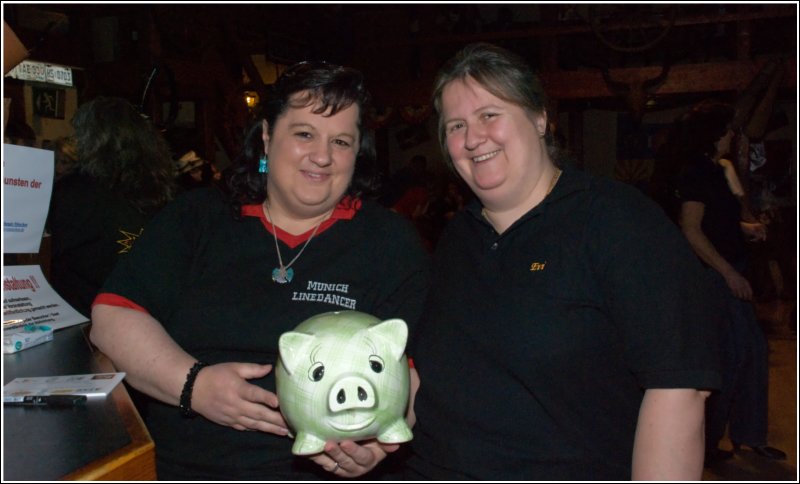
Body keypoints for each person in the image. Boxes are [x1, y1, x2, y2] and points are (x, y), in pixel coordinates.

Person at [89, 61, 429, 480]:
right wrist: (193, 385)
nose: (322, 156)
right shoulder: (198, 219)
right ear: (268, 135)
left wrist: (381, 445)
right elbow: (112, 317)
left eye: (341, 141)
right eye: (304, 133)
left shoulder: (388, 241)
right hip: (187, 467)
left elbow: (409, 373)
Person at [402, 43, 722, 480]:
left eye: (489, 115)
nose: (472, 138)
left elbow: (678, 390)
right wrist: (371, 432)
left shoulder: (618, 222)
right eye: (455, 125)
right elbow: (432, 378)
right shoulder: (459, 237)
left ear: (539, 118)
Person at [673, 100, 786, 465]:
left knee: (750, 353)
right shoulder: (695, 172)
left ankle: (747, 437)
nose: (732, 136)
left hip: (728, 268)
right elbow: (690, 231)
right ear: (714, 135)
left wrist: (746, 230)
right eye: (727, 130)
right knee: (728, 358)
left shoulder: (718, 169)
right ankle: (708, 445)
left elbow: (718, 222)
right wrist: (728, 273)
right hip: (712, 276)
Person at [46, 96, 175, 318]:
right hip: (148, 318)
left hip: (84, 317)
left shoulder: (76, 191)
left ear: (91, 140)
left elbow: (49, 250)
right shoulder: (163, 191)